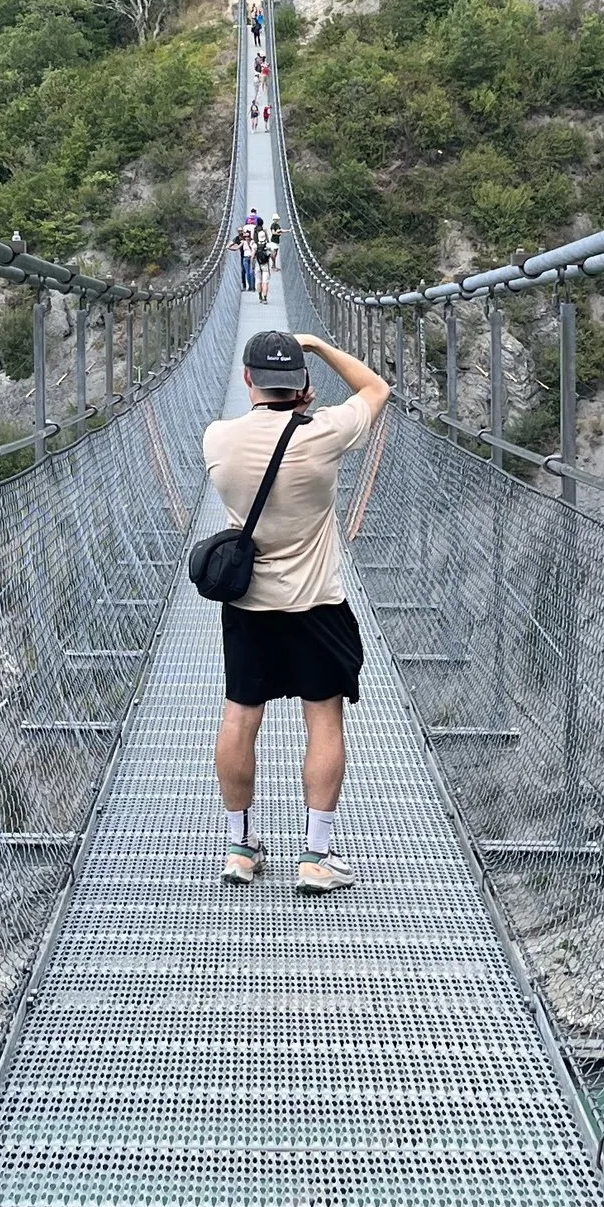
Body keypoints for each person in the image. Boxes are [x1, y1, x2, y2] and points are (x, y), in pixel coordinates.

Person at [202, 325, 390, 894]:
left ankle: (239, 849)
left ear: (247, 380)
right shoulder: (325, 432)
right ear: (303, 385)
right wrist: (320, 348)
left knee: (240, 716)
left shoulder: (218, 437)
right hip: (316, 605)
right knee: (324, 719)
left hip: (248, 606)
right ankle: (315, 856)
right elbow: (377, 388)